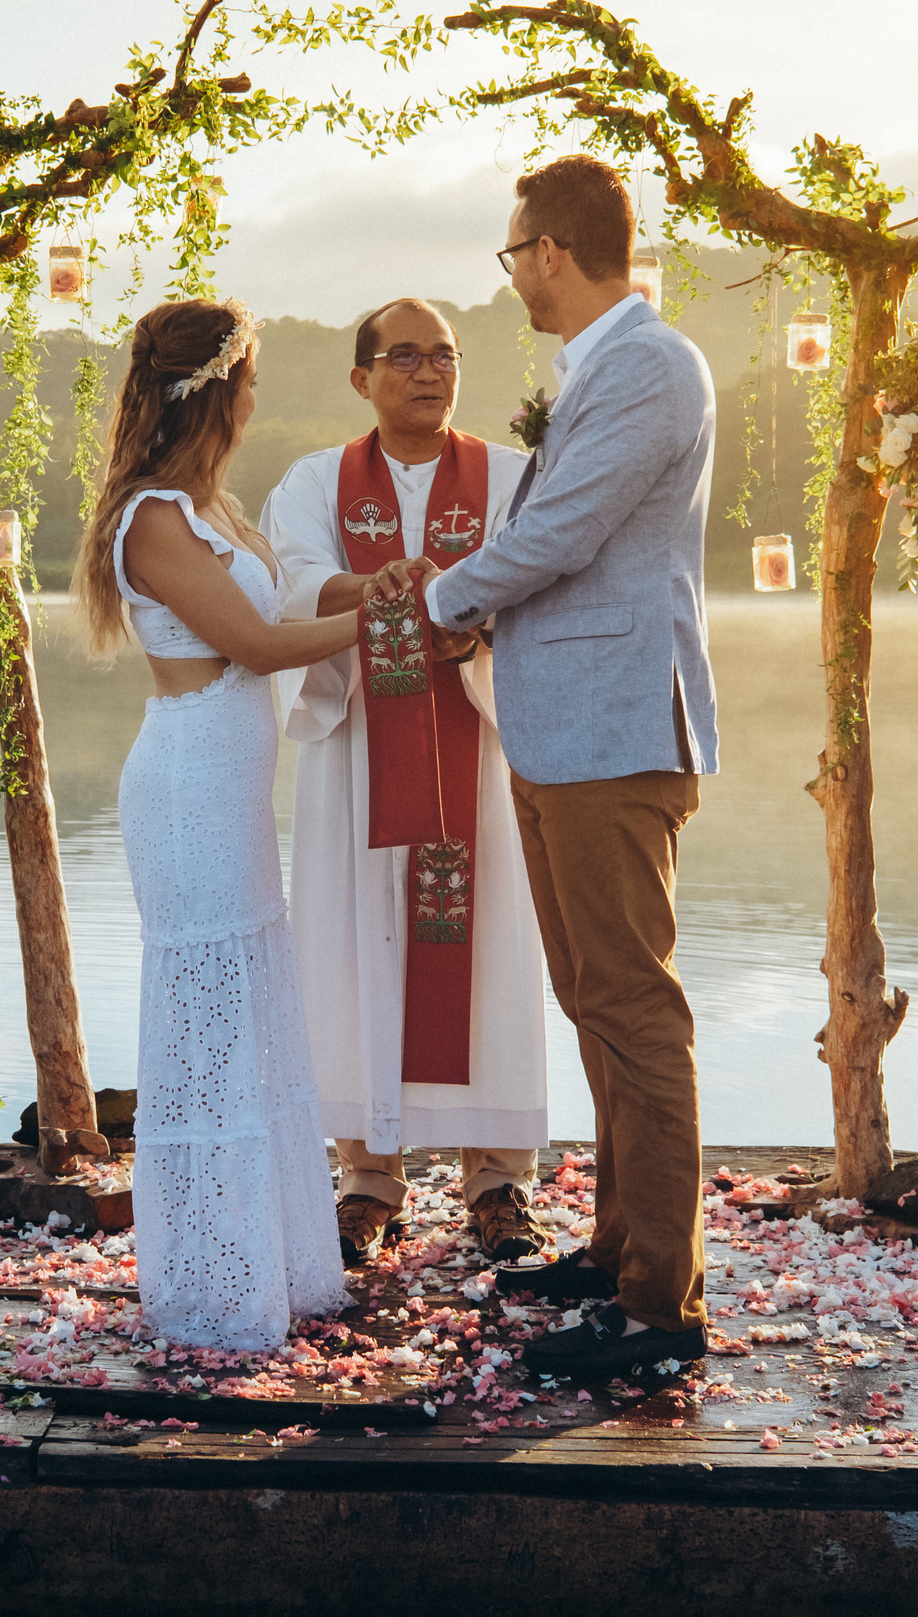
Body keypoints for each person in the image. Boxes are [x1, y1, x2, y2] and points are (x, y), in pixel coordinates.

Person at [417, 156, 719, 1379]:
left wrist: (443, 596)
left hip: (612, 731)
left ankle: (659, 1311)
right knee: (593, 1001)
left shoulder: (650, 363)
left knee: (636, 1010)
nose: (512, 280)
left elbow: (562, 532)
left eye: (511, 255)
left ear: (549, 249)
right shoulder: (593, 367)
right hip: (558, 727)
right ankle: (614, 1252)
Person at [71, 297, 415, 1352]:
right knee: (207, 1028)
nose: (259, 393)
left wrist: (375, 597)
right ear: (219, 388)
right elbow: (257, 646)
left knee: (251, 1013)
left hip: (232, 793)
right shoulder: (153, 520)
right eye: (252, 375)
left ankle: (271, 1262)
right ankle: (211, 1285)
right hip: (185, 789)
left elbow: (285, 622)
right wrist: (398, 611)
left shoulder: (213, 508)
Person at [260, 297, 550, 1268]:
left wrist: (483, 623)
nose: (428, 371)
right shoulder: (313, 481)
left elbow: (545, 586)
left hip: (475, 741)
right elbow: (292, 579)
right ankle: (367, 1180)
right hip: (358, 754)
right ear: (361, 377)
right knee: (358, 947)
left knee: (490, 948)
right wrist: (370, 587)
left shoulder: (510, 478)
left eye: (444, 354)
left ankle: (499, 1179)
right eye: (404, 355)